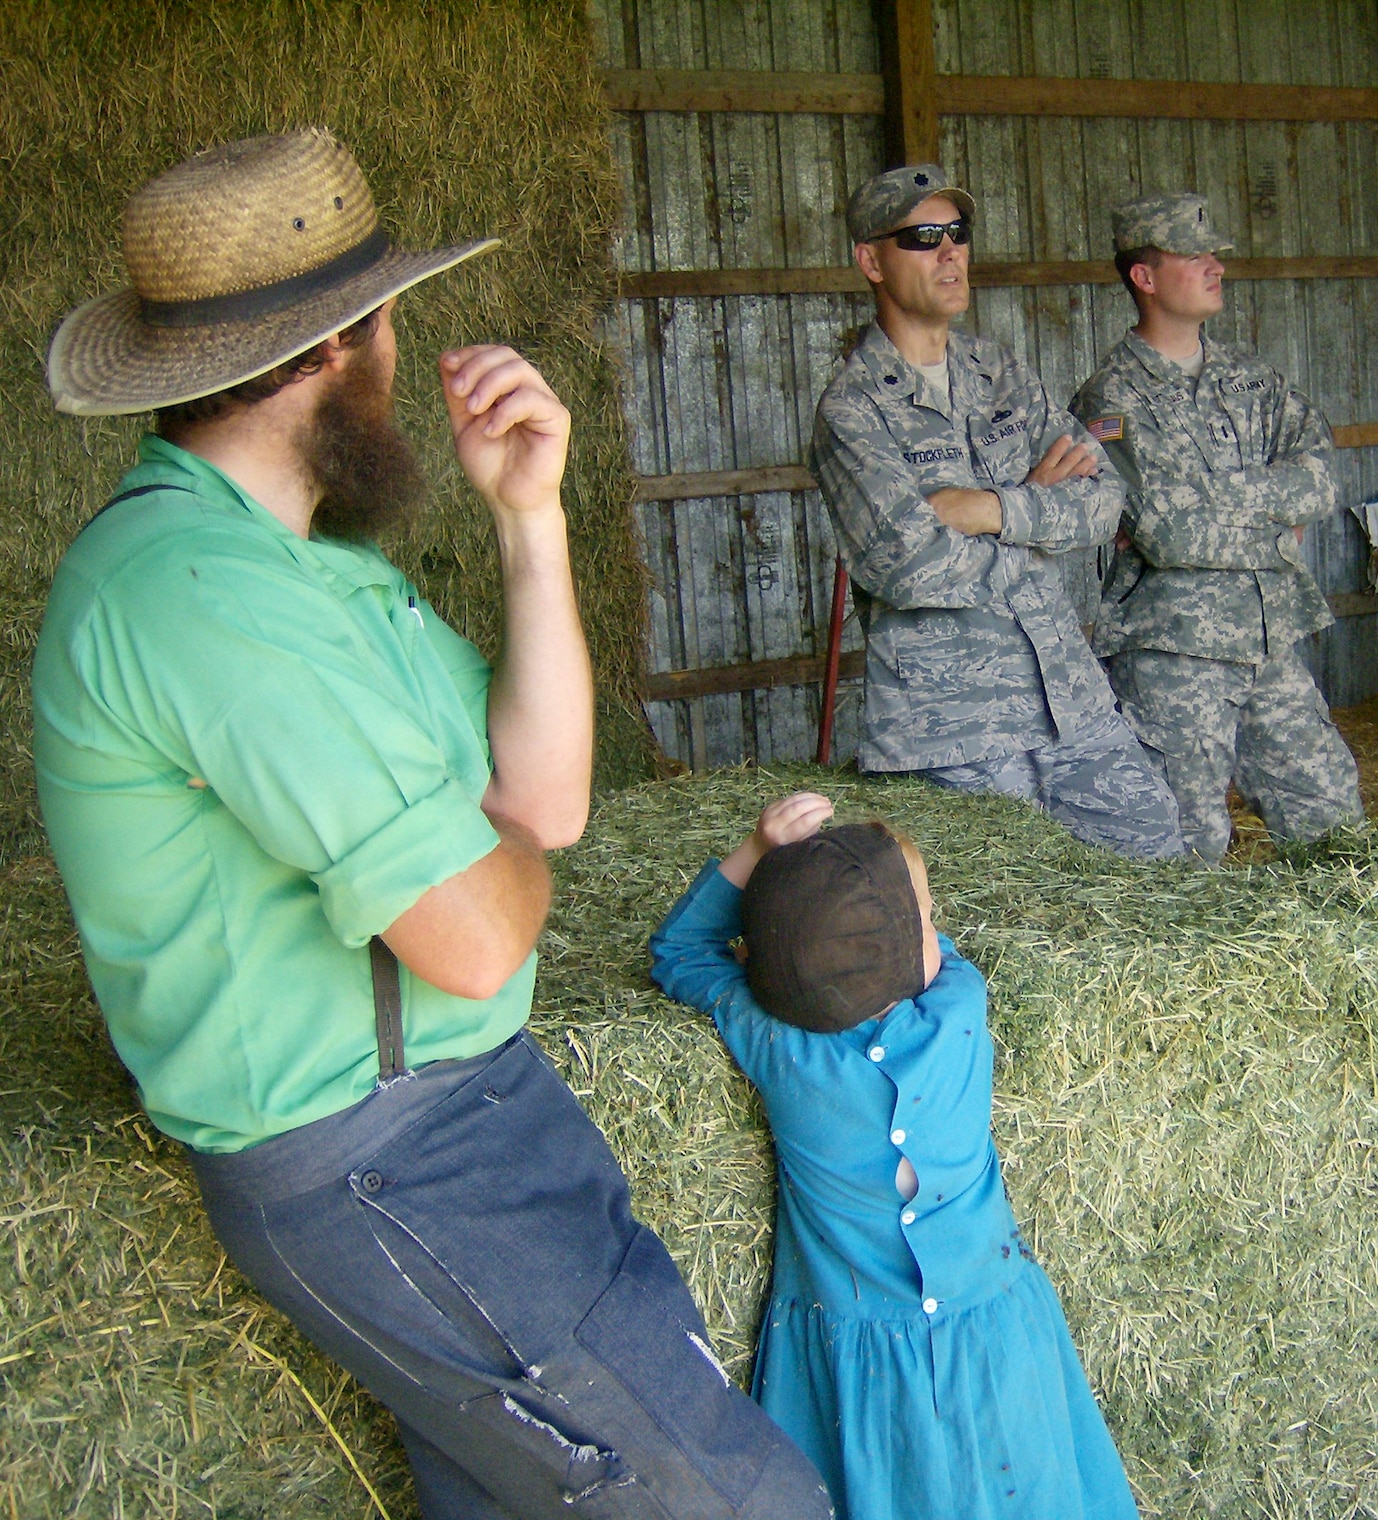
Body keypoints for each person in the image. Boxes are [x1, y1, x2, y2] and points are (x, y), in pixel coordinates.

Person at [36, 131, 830, 1517]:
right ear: (352, 340)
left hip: (465, 1115)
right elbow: (472, 934)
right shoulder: (201, 597)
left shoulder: (312, 573)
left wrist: (531, 521)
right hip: (388, 1155)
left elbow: (550, 799)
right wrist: (492, 855)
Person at [648, 791, 1140, 1520]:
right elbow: (931, 957)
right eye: (928, 918)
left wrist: (756, 856)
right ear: (914, 953)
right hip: (993, 1334)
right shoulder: (959, 1008)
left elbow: (679, 950)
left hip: (858, 1365)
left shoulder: (778, 1045)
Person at [808, 164, 1184, 860]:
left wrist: (983, 509)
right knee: (1012, 930)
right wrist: (1041, 515)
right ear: (871, 261)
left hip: (1071, 702)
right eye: (923, 237)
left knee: (1158, 861)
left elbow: (1104, 503)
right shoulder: (853, 411)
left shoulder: (1000, 373)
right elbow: (912, 569)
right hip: (953, 734)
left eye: (958, 233)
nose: (951, 252)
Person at [1070, 193, 1363, 863]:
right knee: (1186, 848)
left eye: (1215, 255)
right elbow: (1167, 535)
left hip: (1266, 640)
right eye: (1194, 254)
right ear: (1144, 277)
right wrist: (1270, 521)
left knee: (1333, 822)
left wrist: (1216, 496)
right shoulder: (1110, 398)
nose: (1215, 266)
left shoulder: (1251, 380)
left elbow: (1319, 478)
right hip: (1174, 657)